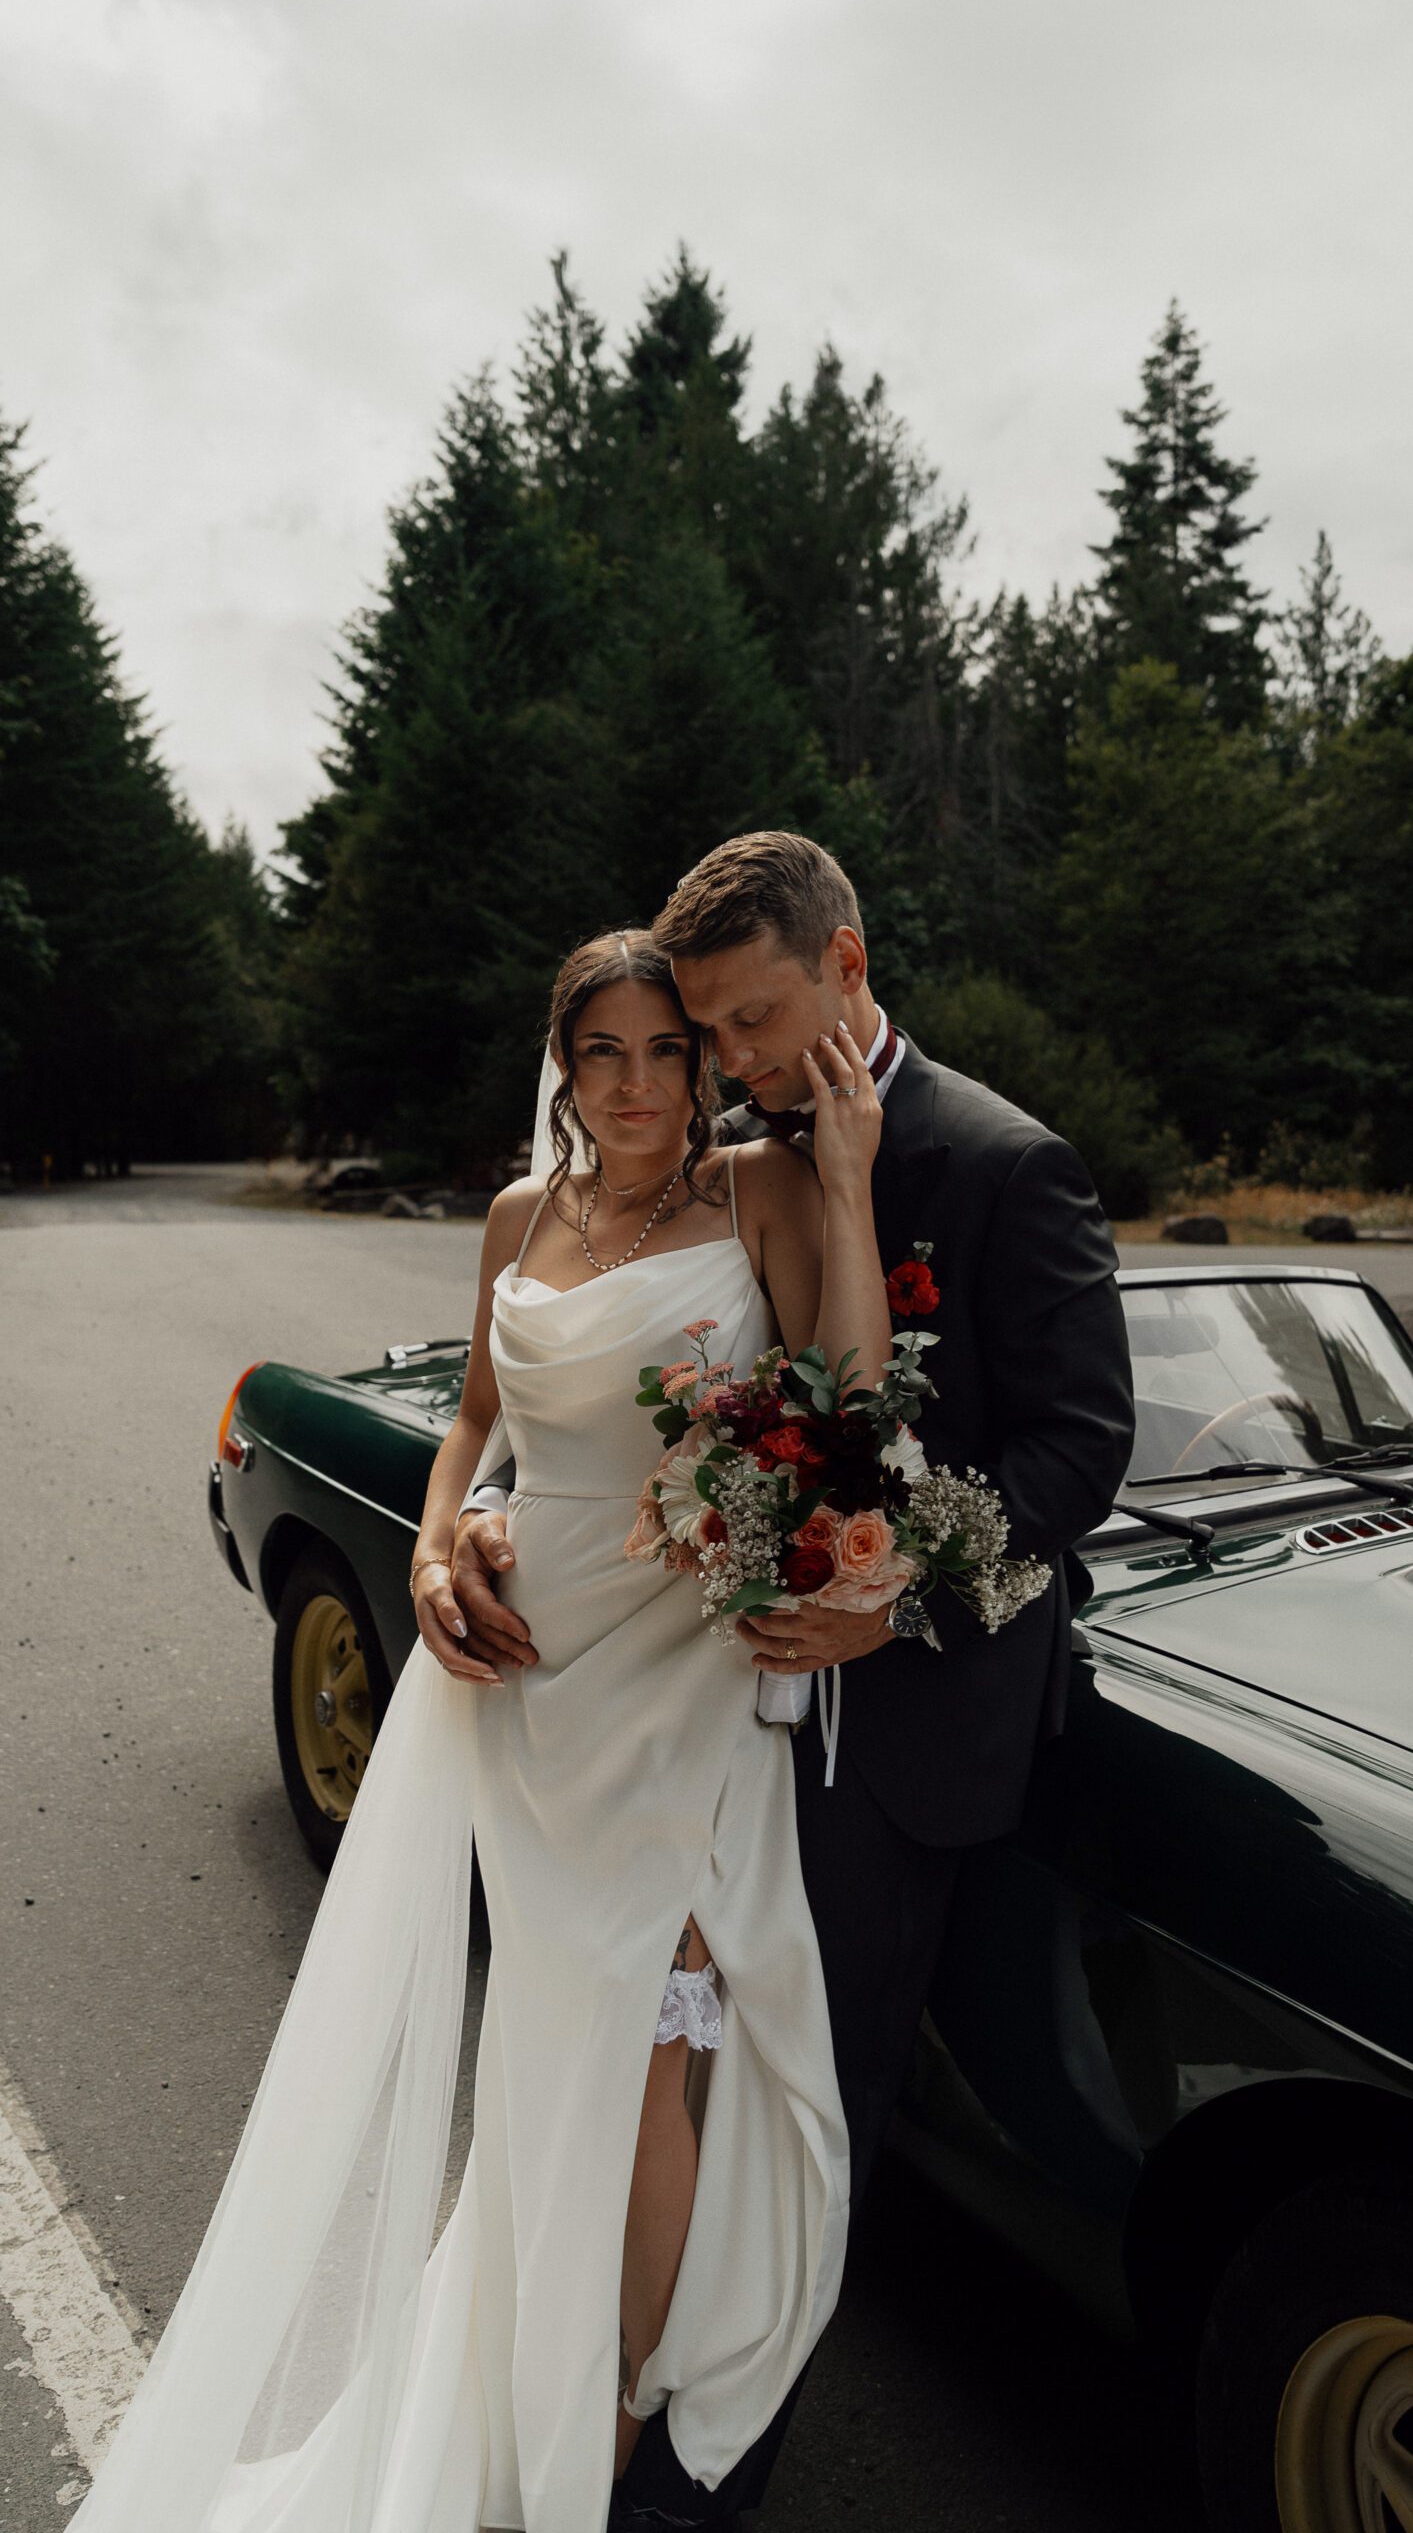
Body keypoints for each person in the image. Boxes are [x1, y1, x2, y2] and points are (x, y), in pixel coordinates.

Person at [68, 926, 891, 2533]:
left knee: (661, 2056)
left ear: (705, 1062)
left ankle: (622, 2417)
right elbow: (470, 1429)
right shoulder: (525, 1214)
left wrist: (851, 1186)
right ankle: (558, 2378)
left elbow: (846, 1410)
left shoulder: (766, 1195)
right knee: (561, 2053)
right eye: (609, 1054)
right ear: (564, 1068)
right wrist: (446, 1548)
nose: (644, 1083)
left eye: (672, 1050)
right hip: (530, 1687)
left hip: (688, 1684)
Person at [453, 835, 1136, 2524]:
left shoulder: (1002, 1161)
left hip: (896, 1744)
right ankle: (621, 2416)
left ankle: (700, 2466)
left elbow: (1079, 1449)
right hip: (688, 1699)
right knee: (671, 2067)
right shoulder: (739, 1157)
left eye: (749, 1023)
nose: (734, 1065)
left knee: (819, 2105)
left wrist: (895, 1601)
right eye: (711, 1035)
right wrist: (462, 1514)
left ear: (847, 965)